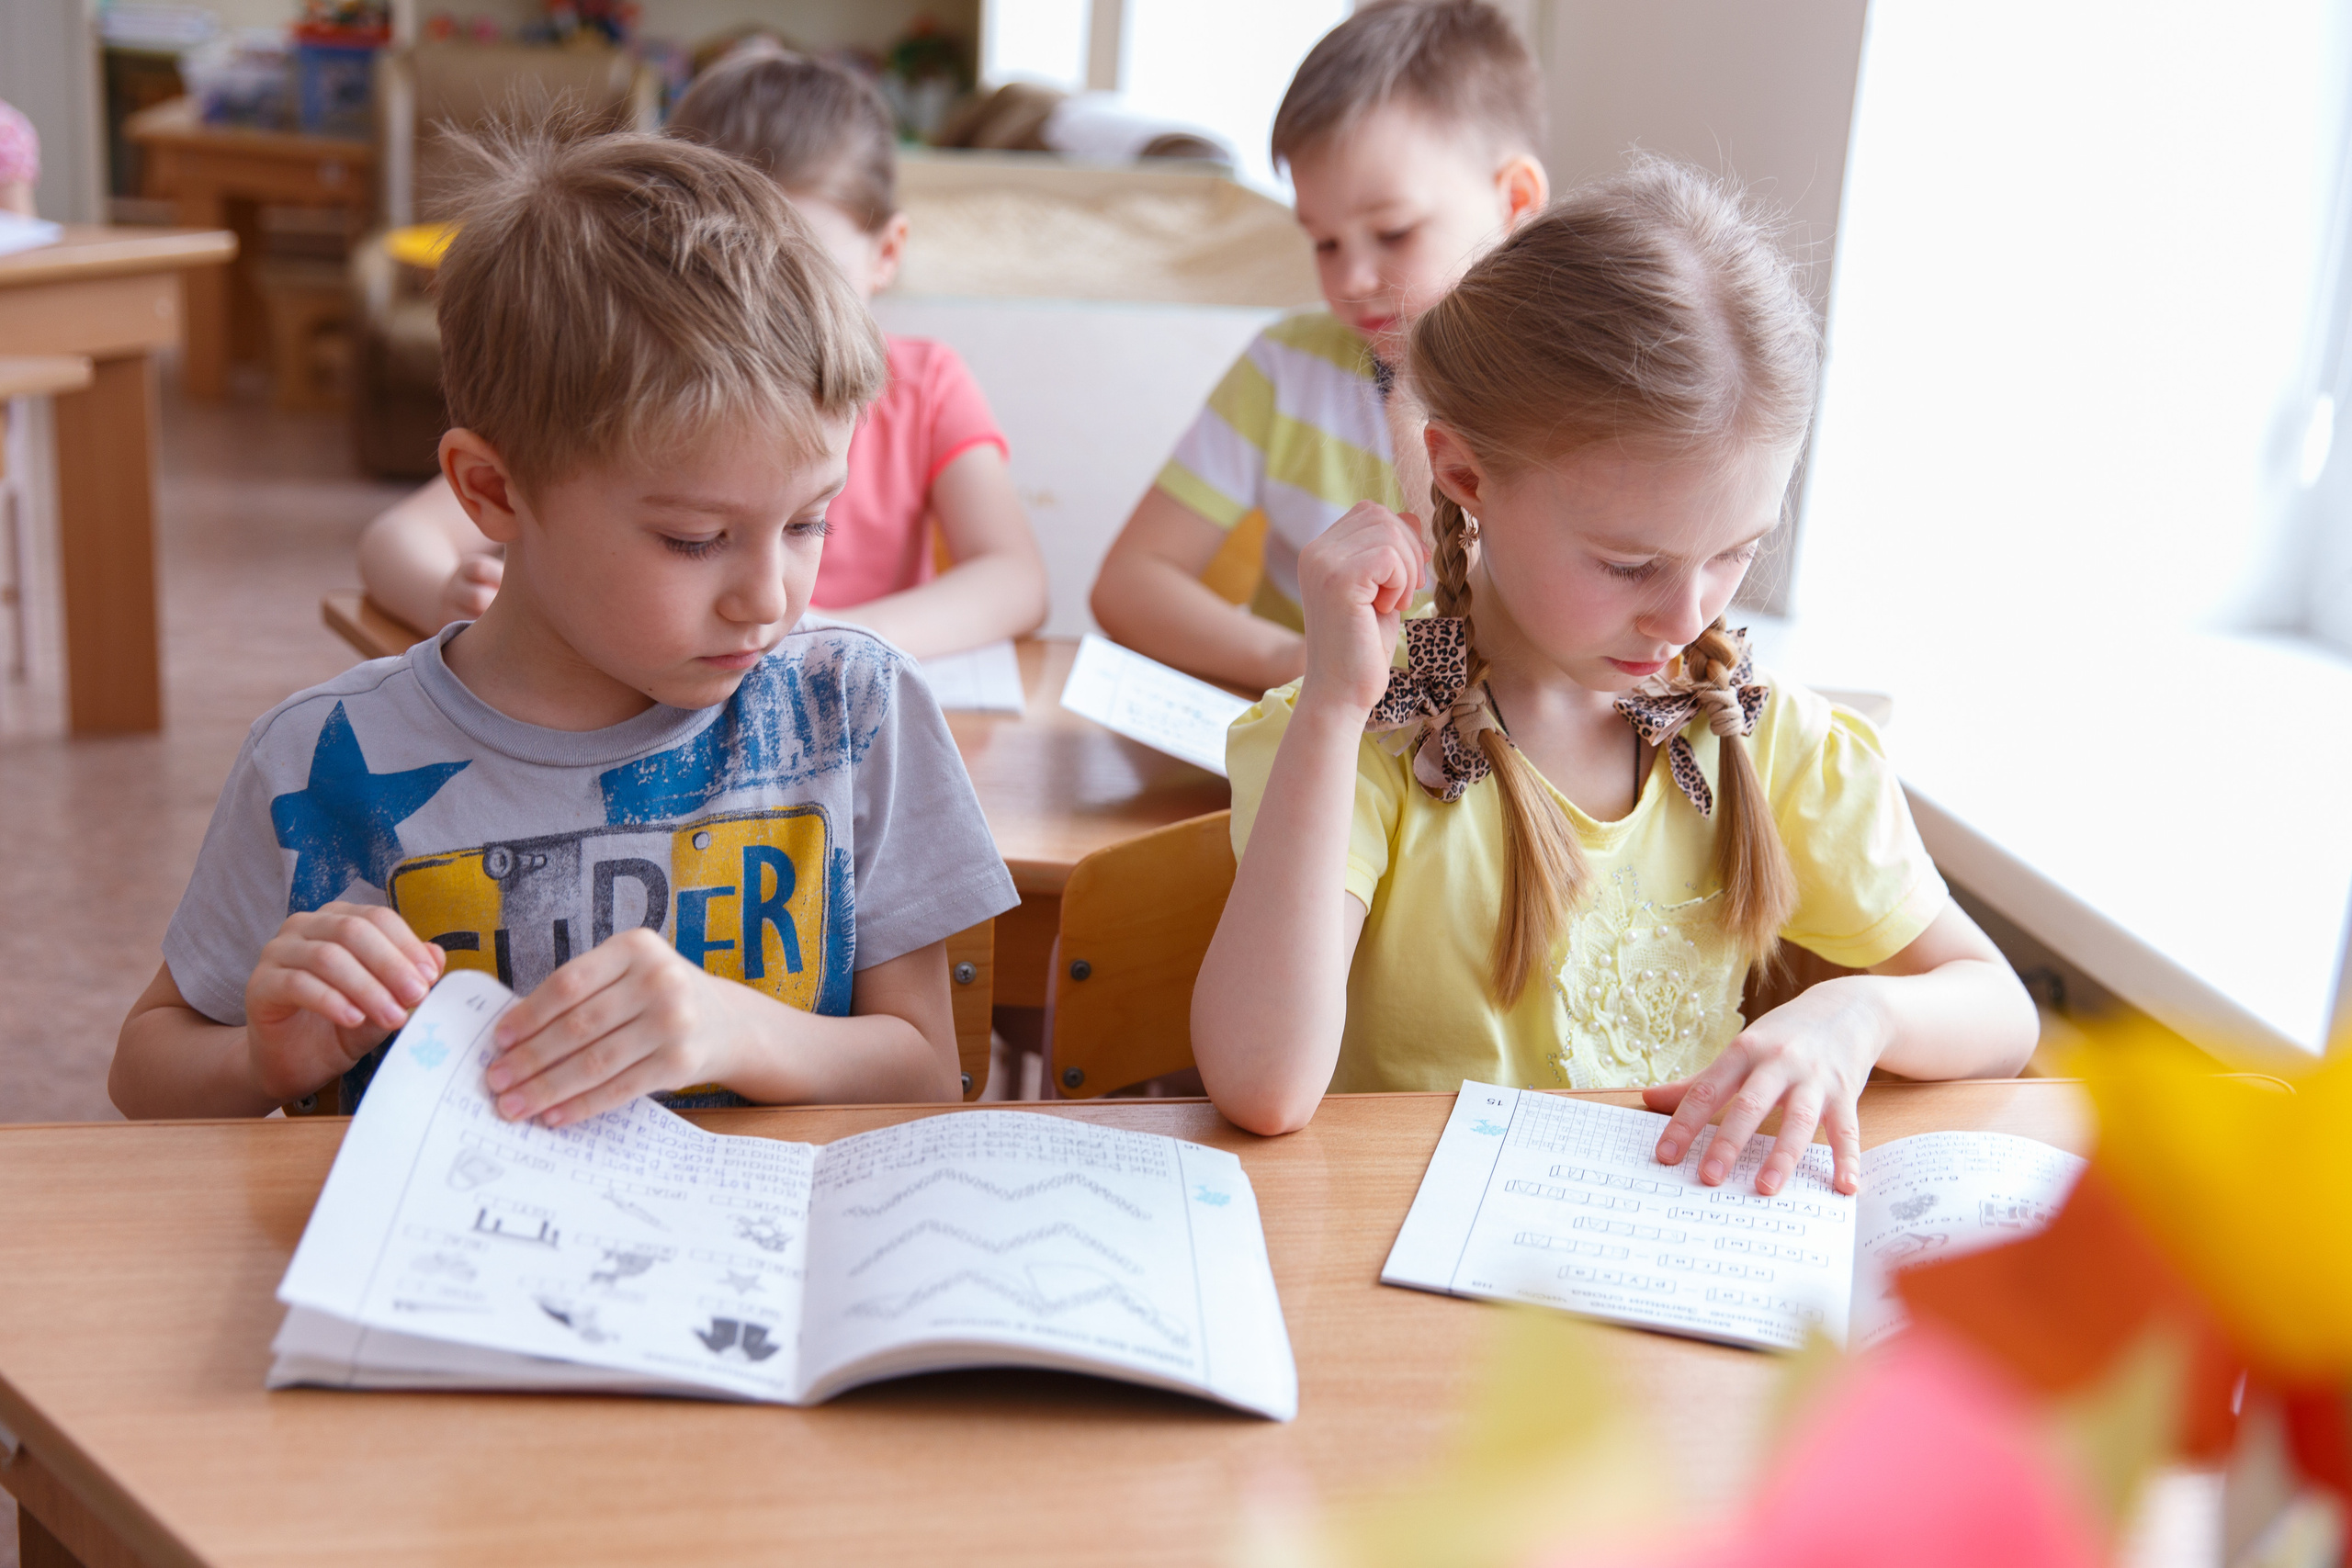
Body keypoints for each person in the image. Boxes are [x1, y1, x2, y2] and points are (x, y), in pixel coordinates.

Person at [112, 129, 1018, 1122]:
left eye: (810, 521)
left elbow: (926, 1071)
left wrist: (737, 1029)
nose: (769, 595)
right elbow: (146, 1069)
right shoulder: (321, 760)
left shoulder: (852, 710)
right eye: (693, 539)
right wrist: (260, 1060)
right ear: (492, 492)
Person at [1193, 162, 2038, 1195]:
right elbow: (1262, 1087)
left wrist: (1858, 1011)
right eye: (1629, 564)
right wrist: (1330, 708)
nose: (1688, 616)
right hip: (1412, 1320)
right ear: (1465, 478)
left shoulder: (1762, 737)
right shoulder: (1365, 736)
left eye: (1737, 552)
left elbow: (1999, 1010)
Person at [356, 47, 1048, 660]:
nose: (767, 318)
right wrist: (446, 597)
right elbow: (396, 538)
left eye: (813, 522)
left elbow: (1015, 580)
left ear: (886, 253)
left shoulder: (927, 384)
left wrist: (833, 640)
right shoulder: (635, 389)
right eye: (694, 537)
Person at [1088, 0, 1547, 691]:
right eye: (1324, 241)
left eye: (1392, 231)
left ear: (1513, 200)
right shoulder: (1285, 366)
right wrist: (1298, 663)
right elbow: (1128, 584)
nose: (1352, 278)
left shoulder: (1576, 399)